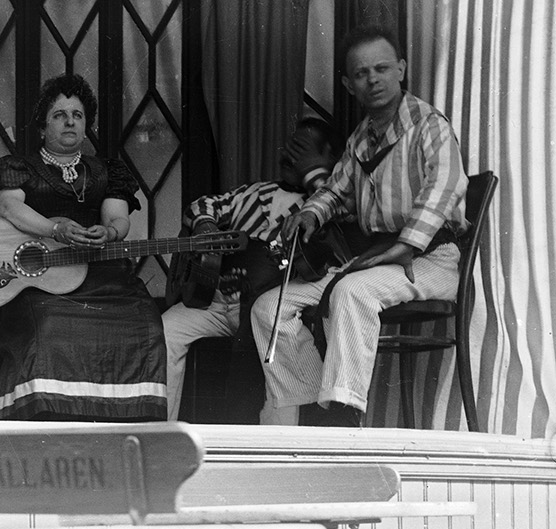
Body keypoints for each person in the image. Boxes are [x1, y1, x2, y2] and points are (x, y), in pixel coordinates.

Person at [253, 25, 467, 427]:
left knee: (351, 291)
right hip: (378, 259)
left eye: (382, 68)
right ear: (348, 84)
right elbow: (334, 191)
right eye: (362, 73)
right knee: (270, 307)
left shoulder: (428, 126)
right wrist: (311, 213)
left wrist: (407, 244)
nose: (373, 80)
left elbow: (447, 185)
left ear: (401, 69)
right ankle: (309, 409)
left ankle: (344, 420)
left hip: (431, 258)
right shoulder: (361, 140)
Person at [0, 73, 165, 421]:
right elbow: (8, 206)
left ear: (86, 125)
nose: (70, 121)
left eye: (78, 115)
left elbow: (118, 218)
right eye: (59, 114)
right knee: (49, 326)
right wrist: (56, 228)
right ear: (42, 127)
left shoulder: (108, 170)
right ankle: (53, 423)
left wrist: (110, 233)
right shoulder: (20, 167)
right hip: (44, 277)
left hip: (103, 276)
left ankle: (125, 426)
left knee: (144, 321)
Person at [161, 118, 338, 422]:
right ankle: (164, 434)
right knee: (166, 330)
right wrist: (206, 225)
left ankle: (278, 450)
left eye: (302, 149)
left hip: (272, 308)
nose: (289, 156)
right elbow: (202, 205)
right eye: (290, 147)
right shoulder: (254, 192)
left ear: (326, 157)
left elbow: (333, 226)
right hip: (219, 304)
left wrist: (316, 175)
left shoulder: (325, 204)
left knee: (276, 343)